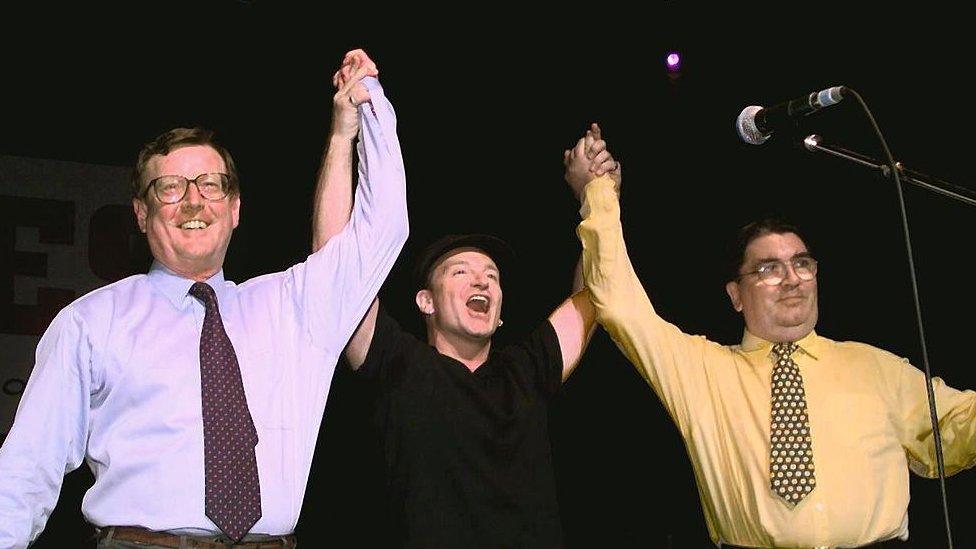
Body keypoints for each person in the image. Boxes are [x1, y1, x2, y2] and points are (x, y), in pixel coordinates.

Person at [0, 49, 408, 548]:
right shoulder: (91, 321)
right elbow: (25, 470)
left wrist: (363, 112)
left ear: (235, 209)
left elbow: (383, 226)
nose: (193, 201)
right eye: (169, 188)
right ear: (141, 214)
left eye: (210, 185)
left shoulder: (296, 308)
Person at [569, 143, 976, 547]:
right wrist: (600, 194)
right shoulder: (702, 370)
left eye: (802, 264)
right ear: (736, 295)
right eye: (769, 269)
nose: (792, 278)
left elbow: (959, 425)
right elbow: (619, 303)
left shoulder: (874, 366)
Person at [311, 119, 616, 546]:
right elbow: (333, 269)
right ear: (426, 302)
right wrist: (344, 136)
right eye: (461, 272)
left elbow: (595, 294)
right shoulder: (401, 364)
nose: (482, 281)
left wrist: (598, 199)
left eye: (491, 275)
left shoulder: (526, 370)